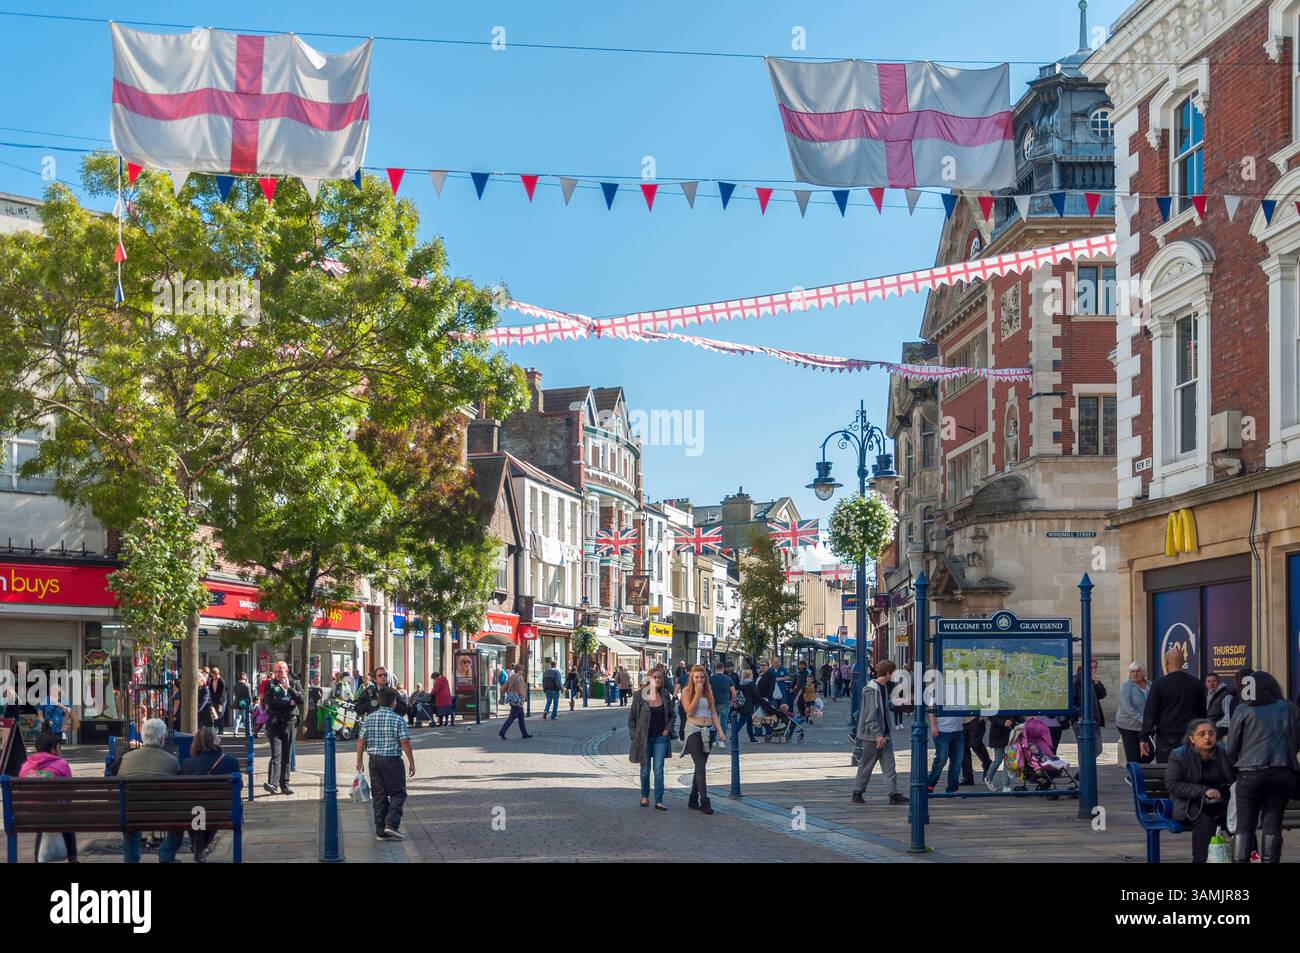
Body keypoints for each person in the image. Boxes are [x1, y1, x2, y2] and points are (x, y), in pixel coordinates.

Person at [1226, 670, 1300, 863]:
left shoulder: (1243, 709)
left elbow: (1231, 747)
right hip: (1283, 772)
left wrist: (1236, 765)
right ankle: (1270, 860)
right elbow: (1296, 742)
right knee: (1273, 823)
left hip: (1249, 774)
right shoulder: (1290, 708)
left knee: (1244, 825)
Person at [1166, 718, 1233, 864]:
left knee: (1241, 820)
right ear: (1191, 738)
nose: (1208, 737)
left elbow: (1233, 778)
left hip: (1220, 802)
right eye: (1202, 734)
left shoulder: (1223, 752)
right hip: (1189, 802)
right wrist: (1203, 790)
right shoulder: (1179, 755)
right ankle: (1200, 860)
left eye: (1211, 733)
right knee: (1205, 821)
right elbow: (1173, 785)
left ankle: (1249, 857)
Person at [118, 718, 185, 863]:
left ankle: (131, 859)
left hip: (131, 814)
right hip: (163, 814)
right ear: (161, 739)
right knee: (180, 820)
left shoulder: (126, 758)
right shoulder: (172, 761)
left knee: (130, 818)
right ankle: (166, 855)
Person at [356, 686, 417, 840]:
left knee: (379, 795)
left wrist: (359, 761)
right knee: (398, 793)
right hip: (392, 761)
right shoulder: (397, 719)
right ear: (394, 702)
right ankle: (391, 824)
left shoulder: (370, 718)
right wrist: (411, 762)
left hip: (374, 761)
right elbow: (404, 742)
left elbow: (361, 740)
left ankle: (380, 831)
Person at [181, 726, 241, 861]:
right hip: (221, 812)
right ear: (216, 740)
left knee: (197, 810)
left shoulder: (187, 764)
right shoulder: (230, 761)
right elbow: (239, 787)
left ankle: (199, 848)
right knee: (213, 811)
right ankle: (201, 848)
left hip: (194, 812)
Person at [850, 661, 906, 805]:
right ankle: (857, 792)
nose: (894, 675)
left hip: (883, 734)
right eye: (893, 672)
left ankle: (893, 794)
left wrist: (895, 703)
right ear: (887, 673)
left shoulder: (883, 687)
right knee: (867, 764)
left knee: (889, 765)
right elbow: (870, 715)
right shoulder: (871, 689)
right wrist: (878, 735)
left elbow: (882, 707)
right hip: (873, 736)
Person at [20, 732, 77, 863]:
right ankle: (72, 858)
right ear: (53, 749)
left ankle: (37, 858)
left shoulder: (25, 765)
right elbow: (71, 789)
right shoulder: (62, 763)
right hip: (57, 814)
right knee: (66, 814)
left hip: (28, 815)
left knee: (42, 813)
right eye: (59, 747)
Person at [1141, 647, 1206, 763]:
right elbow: (1202, 714)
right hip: (1190, 736)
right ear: (1183, 662)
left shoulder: (1159, 685)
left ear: (1166, 662)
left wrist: (1143, 738)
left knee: (1168, 772)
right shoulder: (1196, 684)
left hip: (1166, 738)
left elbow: (1150, 714)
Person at [679, 664, 727, 814]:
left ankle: (693, 798)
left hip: (709, 730)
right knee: (700, 764)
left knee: (700, 766)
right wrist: (698, 693)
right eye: (696, 677)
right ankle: (704, 801)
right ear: (691, 678)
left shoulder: (708, 692)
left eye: (702, 677)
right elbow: (689, 711)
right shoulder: (687, 691)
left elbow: (713, 712)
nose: (699, 680)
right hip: (694, 729)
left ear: (706, 678)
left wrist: (720, 730)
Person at [628, 667, 672, 810]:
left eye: (660, 677)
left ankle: (659, 800)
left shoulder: (665, 694)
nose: (658, 680)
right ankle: (645, 796)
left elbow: (672, 715)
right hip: (644, 738)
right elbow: (632, 719)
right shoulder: (639, 696)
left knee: (658, 769)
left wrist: (667, 730)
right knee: (645, 769)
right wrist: (635, 737)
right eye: (655, 677)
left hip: (660, 738)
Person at [261, 660, 303, 795]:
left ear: (287, 671)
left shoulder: (295, 683)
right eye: (276, 671)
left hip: (290, 722)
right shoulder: (270, 684)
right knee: (276, 753)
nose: (278, 674)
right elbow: (270, 702)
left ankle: (284, 784)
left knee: (287, 753)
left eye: (280, 671)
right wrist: (289, 702)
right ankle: (272, 784)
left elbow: (301, 699)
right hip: (274, 723)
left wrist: (290, 689)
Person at [1116, 661, 1152, 765]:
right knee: (1133, 755)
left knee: (1150, 753)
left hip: (1145, 726)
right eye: (1132, 671)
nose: (1135, 674)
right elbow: (1129, 709)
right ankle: (1134, 776)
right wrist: (1145, 721)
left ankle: (1142, 772)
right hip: (1128, 725)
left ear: (1144, 673)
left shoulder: (1150, 685)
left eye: (1138, 671)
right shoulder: (1126, 687)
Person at [926, 707, 966, 794]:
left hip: (958, 730)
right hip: (942, 730)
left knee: (957, 762)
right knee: (942, 759)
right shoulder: (937, 693)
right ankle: (929, 784)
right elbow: (931, 709)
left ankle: (952, 788)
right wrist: (933, 726)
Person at [1071, 659, 1108, 740]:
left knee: (1098, 748)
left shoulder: (1093, 680)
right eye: (1091, 668)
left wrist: (1097, 684)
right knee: (1085, 747)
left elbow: (1102, 695)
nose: (1094, 670)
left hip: (1094, 719)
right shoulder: (1076, 680)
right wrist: (1081, 713)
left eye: (1095, 667)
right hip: (1081, 720)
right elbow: (1071, 702)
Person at [984, 712, 1019, 791]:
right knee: (998, 760)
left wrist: (1011, 720)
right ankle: (988, 778)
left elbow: (1015, 715)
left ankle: (1006, 785)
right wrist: (1003, 722)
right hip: (998, 735)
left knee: (1008, 760)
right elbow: (992, 717)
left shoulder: (1009, 704)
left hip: (1010, 734)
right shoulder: (995, 703)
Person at [498, 664, 532, 740]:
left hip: (512, 699)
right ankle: (502, 732)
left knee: (521, 717)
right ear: (520, 670)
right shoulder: (519, 677)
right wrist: (523, 697)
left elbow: (503, 687)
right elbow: (521, 689)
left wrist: (502, 695)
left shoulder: (512, 677)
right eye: (522, 669)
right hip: (518, 700)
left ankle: (524, 733)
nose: (523, 671)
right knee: (512, 717)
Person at [708, 662, 735, 747]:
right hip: (725, 702)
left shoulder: (711, 679)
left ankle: (712, 740)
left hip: (713, 703)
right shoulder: (728, 679)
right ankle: (721, 741)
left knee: (713, 722)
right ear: (723, 669)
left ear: (715, 669)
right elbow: (733, 692)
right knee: (723, 721)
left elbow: (707, 691)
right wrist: (732, 701)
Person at [959, 716, 992, 786]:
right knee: (963, 749)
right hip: (960, 720)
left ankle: (987, 763)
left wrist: (984, 716)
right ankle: (968, 777)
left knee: (975, 744)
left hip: (976, 718)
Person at [1205, 672, 1236, 742]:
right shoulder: (1208, 696)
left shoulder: (1227, 696)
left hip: (1221, 731)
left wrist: (1215, 725)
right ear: (1206, 683)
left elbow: (1229, 718)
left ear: (1219, 682)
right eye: (1209, 681)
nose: (1211, 684)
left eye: (1214, 681)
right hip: (1210, 729)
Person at [734, 669, 759, 743]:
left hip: (741, 704)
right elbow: (756, 695)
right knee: (741, 722)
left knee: (749, 722)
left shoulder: (741, 683)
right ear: (750, 675)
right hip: (748, 705)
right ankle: (733, 736)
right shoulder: (751, 684)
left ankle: (752, 738)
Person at [208, 667, 228, 734]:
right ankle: (215, 728)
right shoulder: (212, 680)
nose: (212, 676)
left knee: (220, 714)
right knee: (214, 714)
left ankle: (221, 730)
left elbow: (222, 692)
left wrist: (220, 703)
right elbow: (211, 690)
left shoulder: (221, 681)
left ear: (215, 674)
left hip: (221, 701)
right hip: (214, 700)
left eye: (212, 675)